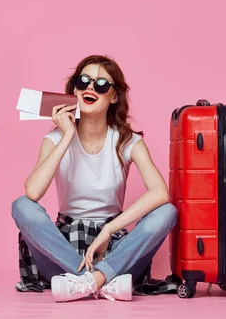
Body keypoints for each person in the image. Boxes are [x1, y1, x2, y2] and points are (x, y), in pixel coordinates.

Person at [11, 55, 177, 303]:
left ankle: (90, 281)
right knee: (21, 205)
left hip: (114, 250)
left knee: (167, 212)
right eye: (83, 81)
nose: (90, 88)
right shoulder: (54, 140)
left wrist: (109, 229)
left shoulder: (127, 141)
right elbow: (33, 192)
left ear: (113, 96)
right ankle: (100, 281)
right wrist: (67, 135)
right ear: (74, 90)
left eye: (101, 84)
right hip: (62, 251)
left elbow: (160, 193)